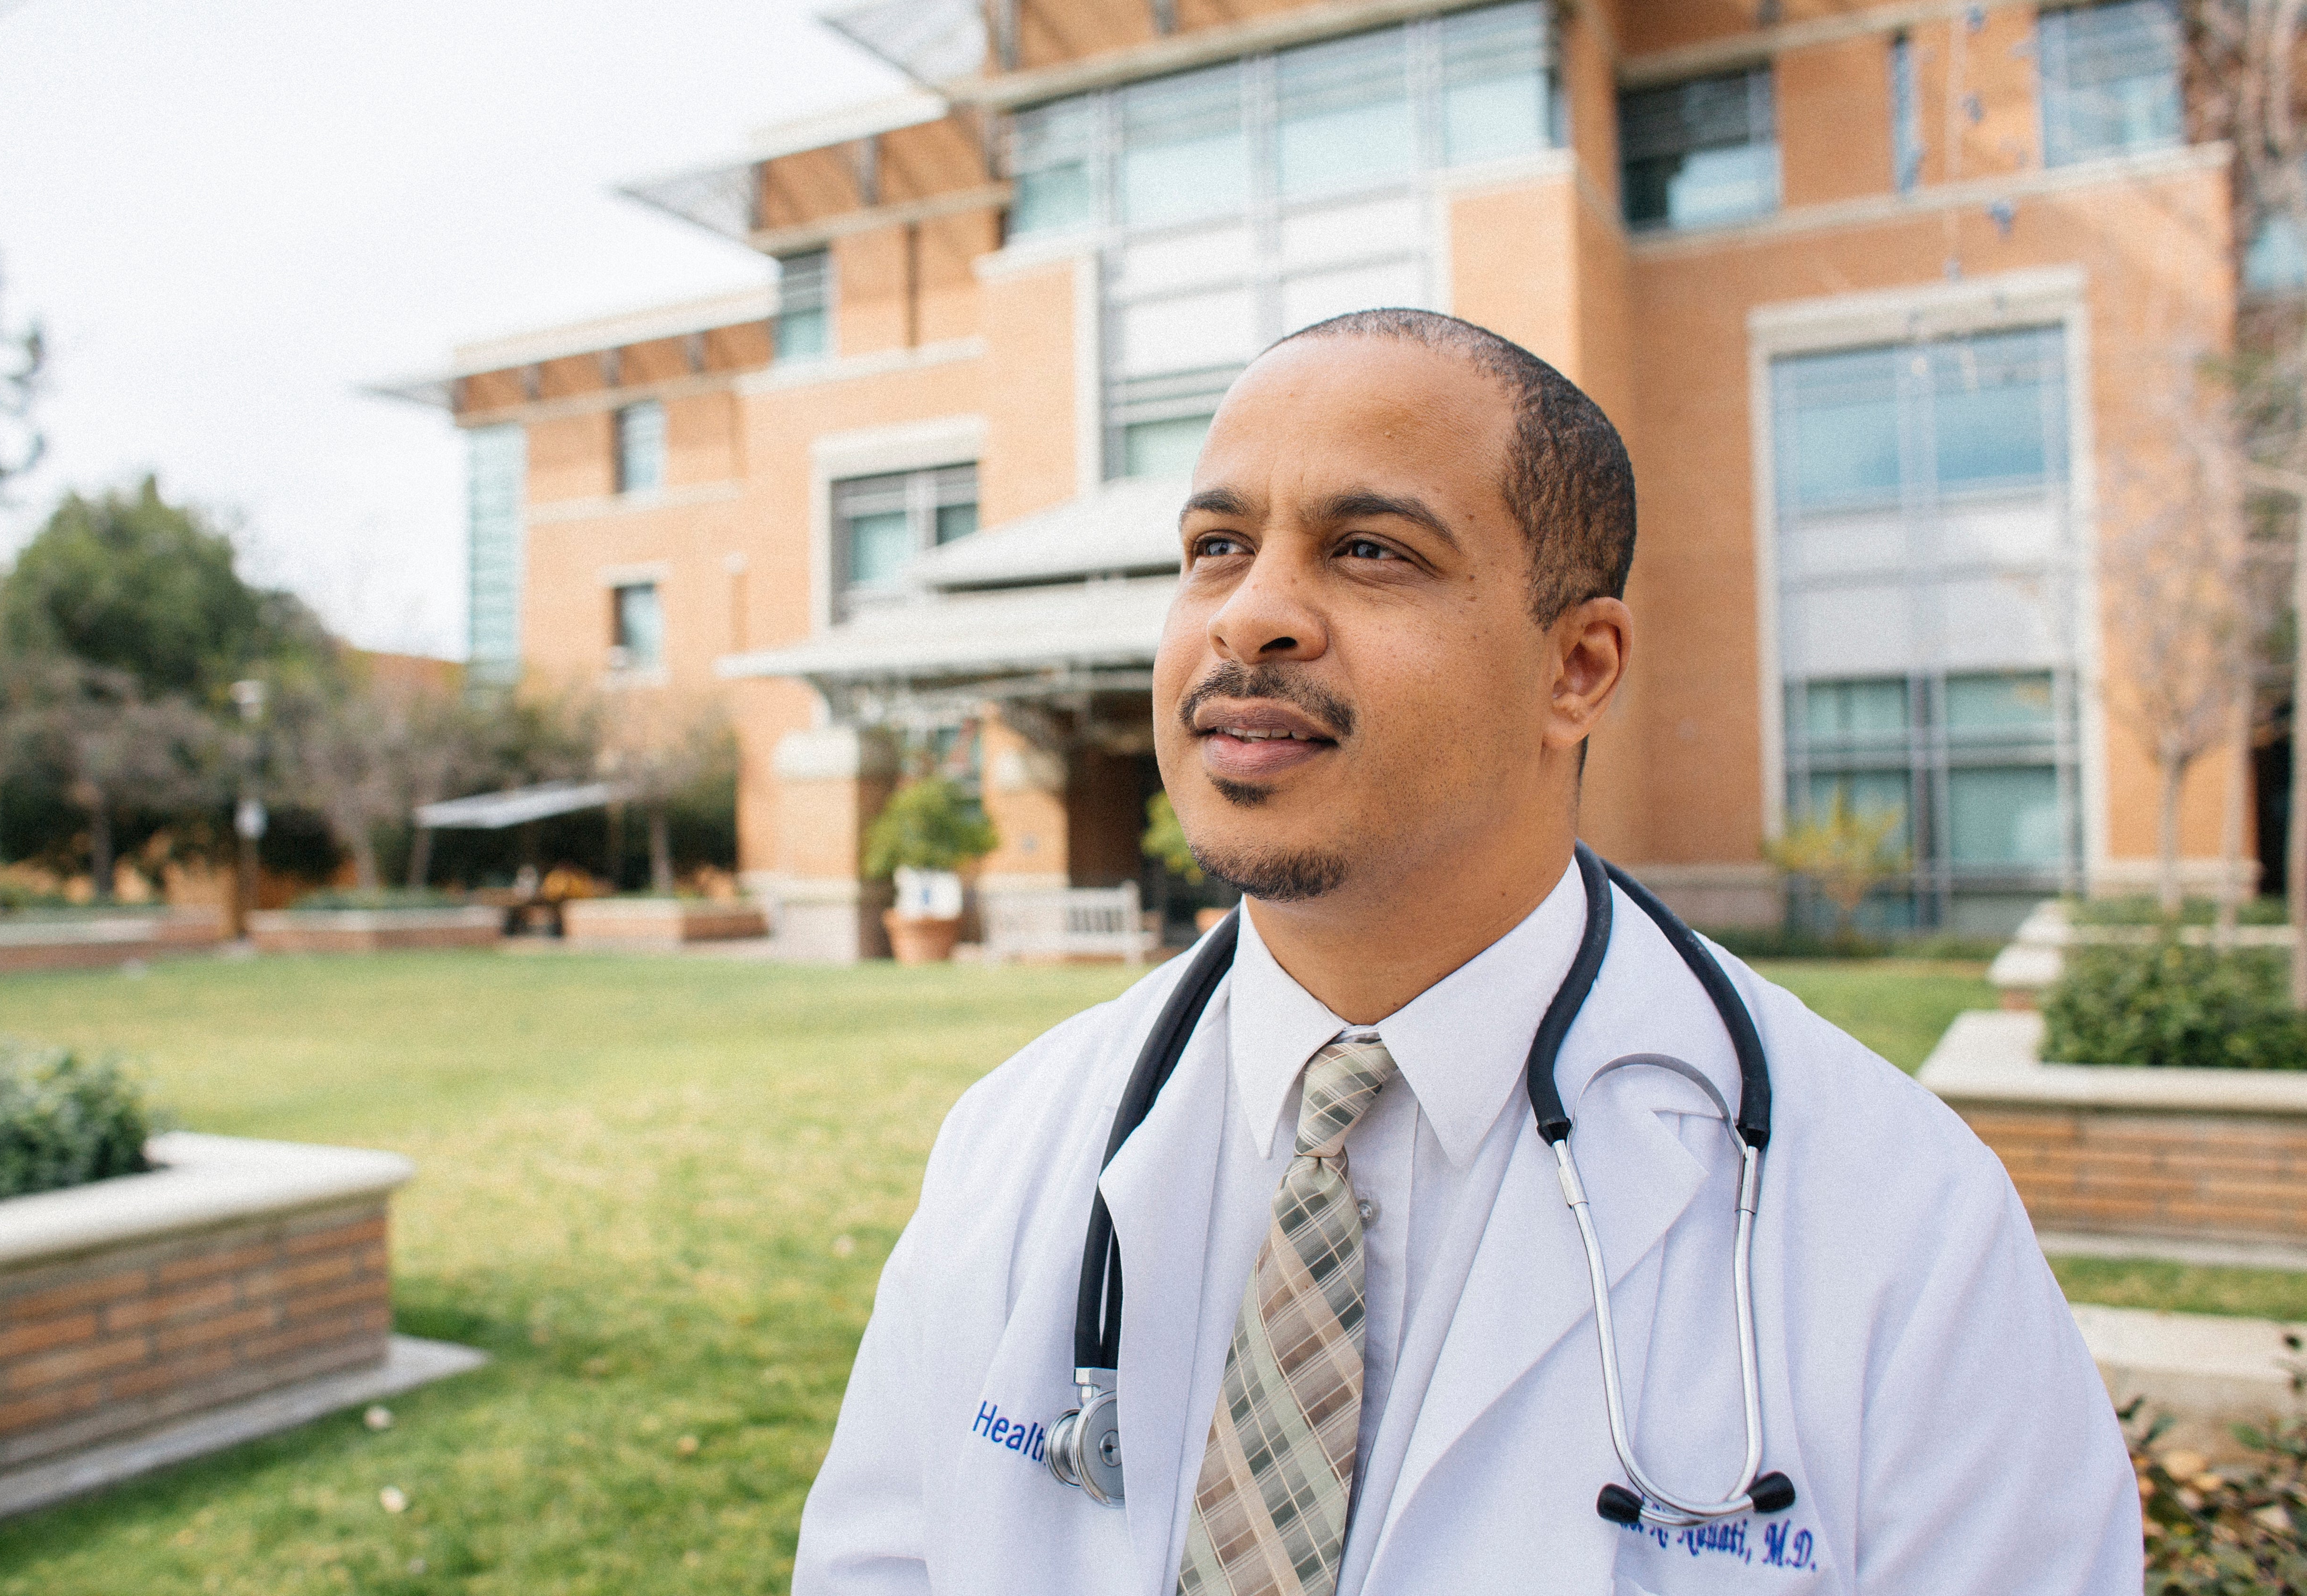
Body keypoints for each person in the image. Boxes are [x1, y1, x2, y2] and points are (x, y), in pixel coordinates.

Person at [794, 310, 2139, 1595]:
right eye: (1216, 547)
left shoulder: (1899, 1220)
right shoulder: (1013, 1144)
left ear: (1580, 668)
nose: (1250, 615)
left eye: (1371, 551)